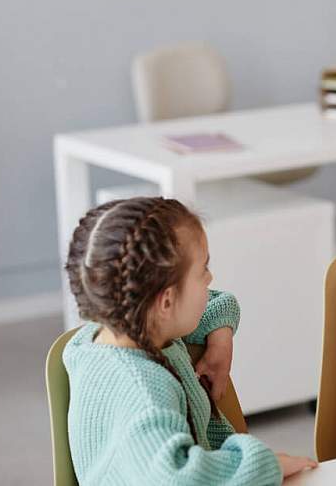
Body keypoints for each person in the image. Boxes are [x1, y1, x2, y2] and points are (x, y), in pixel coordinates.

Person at [63, 196, 317, 484]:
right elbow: (179, 479)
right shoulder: (145, 394)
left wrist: (221, 337)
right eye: (203, 270)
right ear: (167, 301)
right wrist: (265, 464)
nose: (211, 279)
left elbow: (214, 304)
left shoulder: (110, 333)